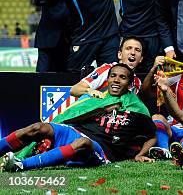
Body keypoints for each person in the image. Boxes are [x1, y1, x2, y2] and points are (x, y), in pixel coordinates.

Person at [0, 64, 156, 172]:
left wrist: (140, 154)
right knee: (39, 127)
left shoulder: (138, 108)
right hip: (75, 131)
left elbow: (151, 136)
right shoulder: (98, 98)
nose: (116, 80)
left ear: (129, 84)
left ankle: (20, 165)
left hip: (101, 149)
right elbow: (73, 117)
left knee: (83, 143)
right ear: (107, 79)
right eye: (113, 76)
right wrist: (101, 110)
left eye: (122, 77)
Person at [70, 37, 145, 98]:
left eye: (137, 50)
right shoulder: (107, 69)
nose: (133, 53)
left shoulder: (137, 82)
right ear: (120, 55)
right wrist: (90, 91)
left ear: (141, 59)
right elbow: (75, 89)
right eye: (128, 48)